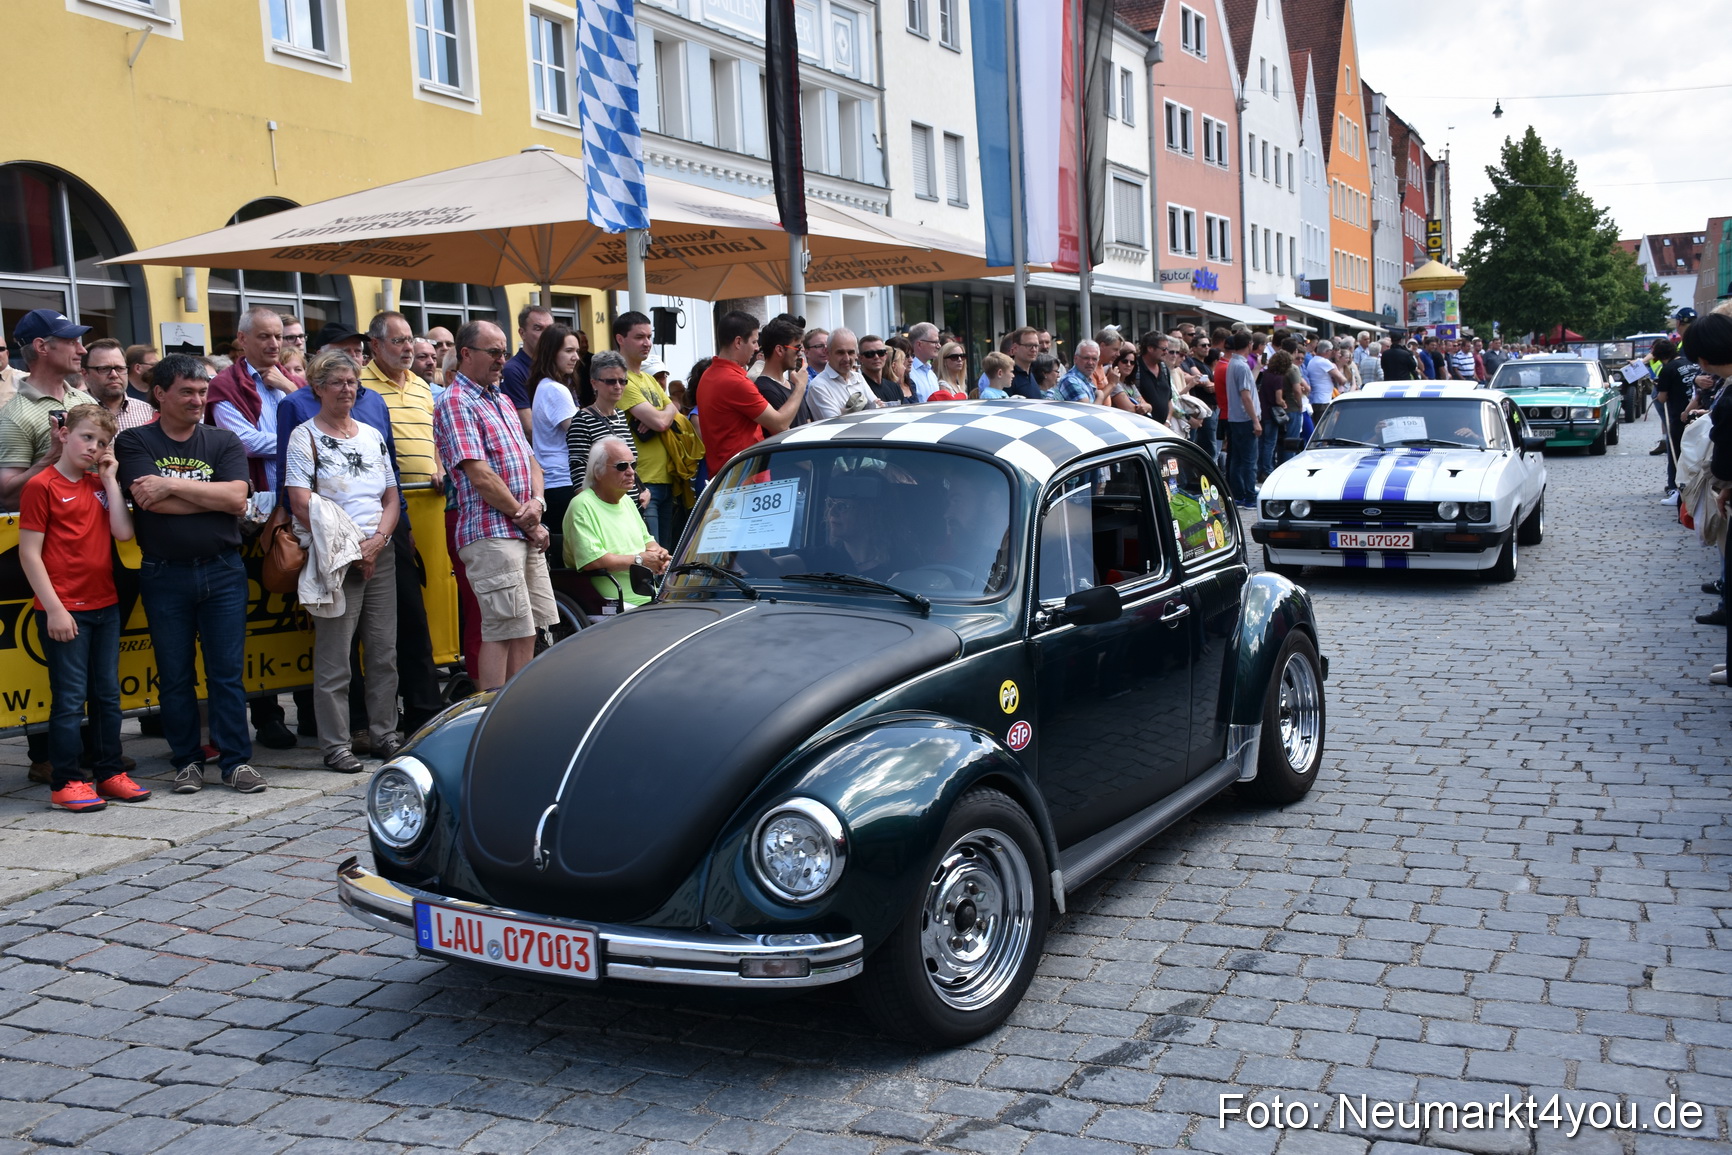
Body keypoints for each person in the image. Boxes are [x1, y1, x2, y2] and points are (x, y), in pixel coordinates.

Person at [116, 355, 266, 795]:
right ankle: (187, 761)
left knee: (226, 673)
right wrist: (210, 496)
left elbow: (238, 499)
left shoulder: (222, 441)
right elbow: (149, 502)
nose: (198, 400)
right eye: (187, 391)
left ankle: (236, 762)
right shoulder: (133, 442)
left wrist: (173, 485)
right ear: (159, 394)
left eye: (202, 391)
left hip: (222, 571)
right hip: (164, 573)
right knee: (175, 673)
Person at [19, 404, 147, 812]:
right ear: (64, 434)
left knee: (107, 696)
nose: (93, 447)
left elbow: (123, 532)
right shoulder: (42, 485)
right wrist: (54, 609)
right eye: (87, 437)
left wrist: (110, 480)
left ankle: (109, 771)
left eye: (102, 442)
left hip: (105, 604)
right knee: (70, 699)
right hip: (65, 609)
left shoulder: (98, 483)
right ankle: (67, 780)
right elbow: (29, 554)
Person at [284, 350, 401, 773]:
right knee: (336, 658)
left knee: (384, 651)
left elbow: (391, 496)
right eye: (337, 382)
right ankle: (335, 743)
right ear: (317, 387)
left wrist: (378, 541)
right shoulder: (304, 436)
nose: (347, 389)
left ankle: (384, 733)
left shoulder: (371, 435)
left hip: (379, 552)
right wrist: (355, 548)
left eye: (352, 382)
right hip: (336, 558)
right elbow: (300, 502)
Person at [433, 320, 557, 691]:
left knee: (529, 627)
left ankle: (515, 710)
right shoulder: (455, 401)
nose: (503, 359)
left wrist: (536, 502)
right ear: (466, 354)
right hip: (491, 532)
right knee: (502, 630)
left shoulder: (502, 399)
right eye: (494, 352)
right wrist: (530, 521)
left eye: (504, 352)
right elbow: (479, 475)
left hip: (521, 528)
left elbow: (532, 460)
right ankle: (490, 715)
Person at [208, 305, 307, 750]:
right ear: (242, 341)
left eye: (280, 338)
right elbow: (239, 440)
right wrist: (293, 442)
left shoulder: (291, 379)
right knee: (262, 614)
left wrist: (289, 391)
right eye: (264, 337)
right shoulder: (225, 384)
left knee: (305, 609)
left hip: (301, 506)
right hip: (253, 513)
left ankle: (309, 710)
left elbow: (323, 423)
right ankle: (267, 715)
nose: (274, 345)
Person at [359, 311, 444, 736]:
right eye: (398, 341)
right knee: (381, 625)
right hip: (377, 517)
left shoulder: (424, 387)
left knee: (416, 617)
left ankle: (423, 710)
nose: (408, 348)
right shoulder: (360, 389)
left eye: (411, 339)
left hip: (421, 512)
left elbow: (436, 438)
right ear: (375, 346)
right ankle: (376, 718)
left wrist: (440, 464)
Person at [0, 309, 97, 512]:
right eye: (71, 342)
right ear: (41, 347)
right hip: (54, 540)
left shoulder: (85, 401)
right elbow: (8, 498)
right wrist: (52, 457)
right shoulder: (14, 415)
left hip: (97, 533)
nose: (82, 350)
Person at [564, 436, 672, 610]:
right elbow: (593, 561)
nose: (631, 472)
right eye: (622, 466)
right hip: (611, 599)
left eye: (633, 465)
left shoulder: (627, 501)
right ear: (597, 472)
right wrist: (640, 560)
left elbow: (647, 540)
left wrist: (658, 554)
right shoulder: (582, 505)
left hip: (648, 593)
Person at [702, 310, 804, 477]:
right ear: (738, 342)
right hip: (744, 479)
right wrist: (800, 386)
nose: (757, 348)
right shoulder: (733, 381)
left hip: (732, 474)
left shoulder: (710, 374)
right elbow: (779, 424)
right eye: (754, 342)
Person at [613, 311, 685, 542]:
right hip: (641, 482)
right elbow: (663, 421)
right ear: (620, 339)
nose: (647, 343)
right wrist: (662, 416)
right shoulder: (622, 379)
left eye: (649, 336)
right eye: (639, 337)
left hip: (667, 479)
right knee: (651, 557)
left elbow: (675, 406)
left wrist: (666, 411)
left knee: (665, 556)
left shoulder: (650, 379)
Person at [566, 350, 644, 513]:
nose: (618, 386)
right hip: (606, 510)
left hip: (632, 508)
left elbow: (629, 465)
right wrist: (595, 512)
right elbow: (578, 471)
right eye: (610, 381)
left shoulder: (621, 416)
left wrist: (643, 489)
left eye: (623, 381)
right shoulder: (582, 420)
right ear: (594, 383)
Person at [529, 322, 584, 523]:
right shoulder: (555, 389)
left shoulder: (545, 386)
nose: (576, 357)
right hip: (563, 480)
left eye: (577, 351)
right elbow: (580, 434)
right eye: (569, 350)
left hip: (554, 481)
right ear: (551, 353)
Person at [500, 304, 553, 438]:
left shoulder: (557, 366)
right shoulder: (512, 370)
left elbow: (575, 415)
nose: (546, 335)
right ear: (522, 333)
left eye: (550, 329)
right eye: (538, 328)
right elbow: (529, 429)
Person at [81, 340, 155, 432]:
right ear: (85, 374)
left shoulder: (147, 412)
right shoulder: (72, 410)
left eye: (120, 368)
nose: (114, 375)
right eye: (104, 369)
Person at [1222, 332, 1260, 508]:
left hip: (1235, 418)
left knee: (1237, 459)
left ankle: (1238, 494)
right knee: (1249, 461)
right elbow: (1246, 396)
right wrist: (1255, 421)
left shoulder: (1233, 363)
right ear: (1250, 344)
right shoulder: (1241, 367)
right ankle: (1250, 496)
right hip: (1244, 419)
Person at [808, 327, 876, 418]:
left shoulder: (858, 378)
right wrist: (865, 407)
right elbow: (835, 422)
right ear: (827, 353)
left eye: (851, 352)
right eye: (840, 353)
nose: (847, 358)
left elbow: (877, 408)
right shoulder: (818, 386)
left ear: (856, 354)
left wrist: (844, 411)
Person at [755, 314, 808, 415]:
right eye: (797, 348)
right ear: (779, 350)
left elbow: (807, 422)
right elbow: (782, 427)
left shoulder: (792, 386)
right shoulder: (765, 389)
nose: (800, 353)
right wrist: (801, 386)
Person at [1257, 350, 1293, 479]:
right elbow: (1278, 400)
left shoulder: (1266, 374)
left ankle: (1260, 468)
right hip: (1272, 414)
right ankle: (1267, 469)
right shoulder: (1278, 378)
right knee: (1270, 443)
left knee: (1262, 443)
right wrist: (1284, 403)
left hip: (1262, 411)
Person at [1129, 331, 1175, 424]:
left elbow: (1169, 400)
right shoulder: (1135, 367)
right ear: (1150, 348)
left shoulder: (1164, 368)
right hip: (1143, 426)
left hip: (1164, 427)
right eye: (1163, 349)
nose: (1166, 352)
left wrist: (1167, 422)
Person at [907, 322, 943, 401]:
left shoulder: (931, 374)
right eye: (935, 342)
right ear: (919, 344)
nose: (939, 346)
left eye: (939, 342)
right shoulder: (908, 372)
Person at [1004, 327, 1043, 398]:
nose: (1034, 349)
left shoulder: (1033, 372)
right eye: (1029, 345)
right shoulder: (1007, 376)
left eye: (1036, 346)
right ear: (1015, 348)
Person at [859, 334, 898, 404]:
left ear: (886, 356)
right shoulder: (859, 389)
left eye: (881, 353)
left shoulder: (895, 387)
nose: (876, 357)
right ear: (860, 358)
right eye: (870, 354)